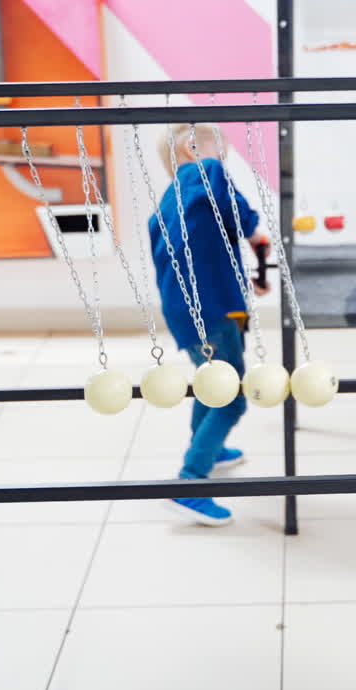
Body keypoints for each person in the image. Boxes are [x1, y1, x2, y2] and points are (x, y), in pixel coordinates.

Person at [149, 123, 269, 527]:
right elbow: (245, 219)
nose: (226, 160)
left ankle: (209, 450)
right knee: (231, 397)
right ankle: (191, 482)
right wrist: (259, 245)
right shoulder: (206, 172)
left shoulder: (169, 199)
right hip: (213, 309)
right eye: (223, 151)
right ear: (192, 146)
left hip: (186, 310)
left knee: (209, 381)